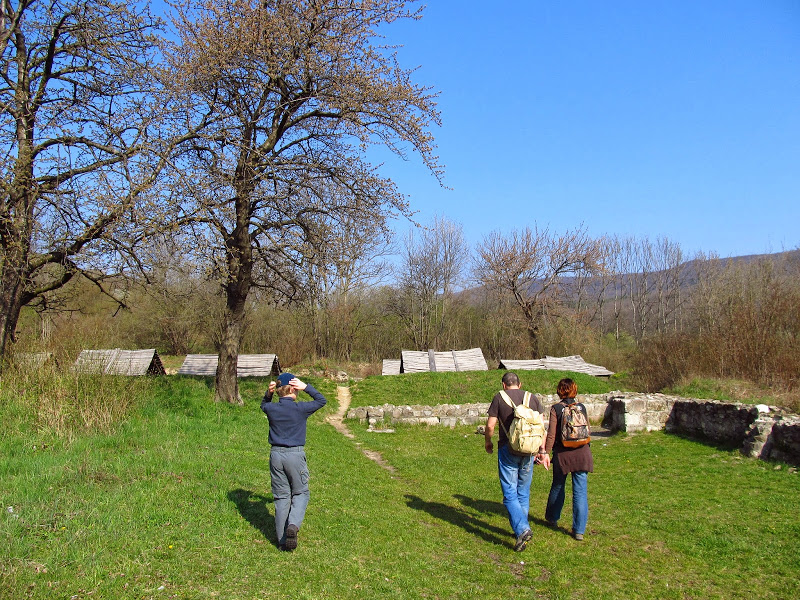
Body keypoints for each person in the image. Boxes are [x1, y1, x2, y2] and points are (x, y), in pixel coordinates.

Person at [484, 371, 550, 552]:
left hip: (508, 448)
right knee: (523, 490)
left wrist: (488, 442)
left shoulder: (499, 397)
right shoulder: (532, 398)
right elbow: (542, 427)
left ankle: (522, 529)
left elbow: (490, 425)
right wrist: (542, 450)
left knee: (509, 492)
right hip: (530, 450)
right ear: (519, 385)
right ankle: (521, 528)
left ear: (504, 385)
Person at [261, 372, 327, 551]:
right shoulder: (300, 409)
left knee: (282, 497)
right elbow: (321, 400)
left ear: (278, 390)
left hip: (276, 455)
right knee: (301, 493)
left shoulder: (272, 409)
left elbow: (263, 405)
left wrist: (269, 394)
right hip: (295, 455)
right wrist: (307, 387)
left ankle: (283, 542)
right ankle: (293, 525)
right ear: (294, 389)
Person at [543, 378, 594, 541]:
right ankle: (579, 530)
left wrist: (546, 452)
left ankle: (552, 517)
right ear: (574, 390)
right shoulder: (582, 407)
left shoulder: (556, 408)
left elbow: (551, 434)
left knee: (558, 485)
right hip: (582, 452)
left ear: (559, 390)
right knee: (580, 491)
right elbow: (587, 430)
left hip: (563, 453)